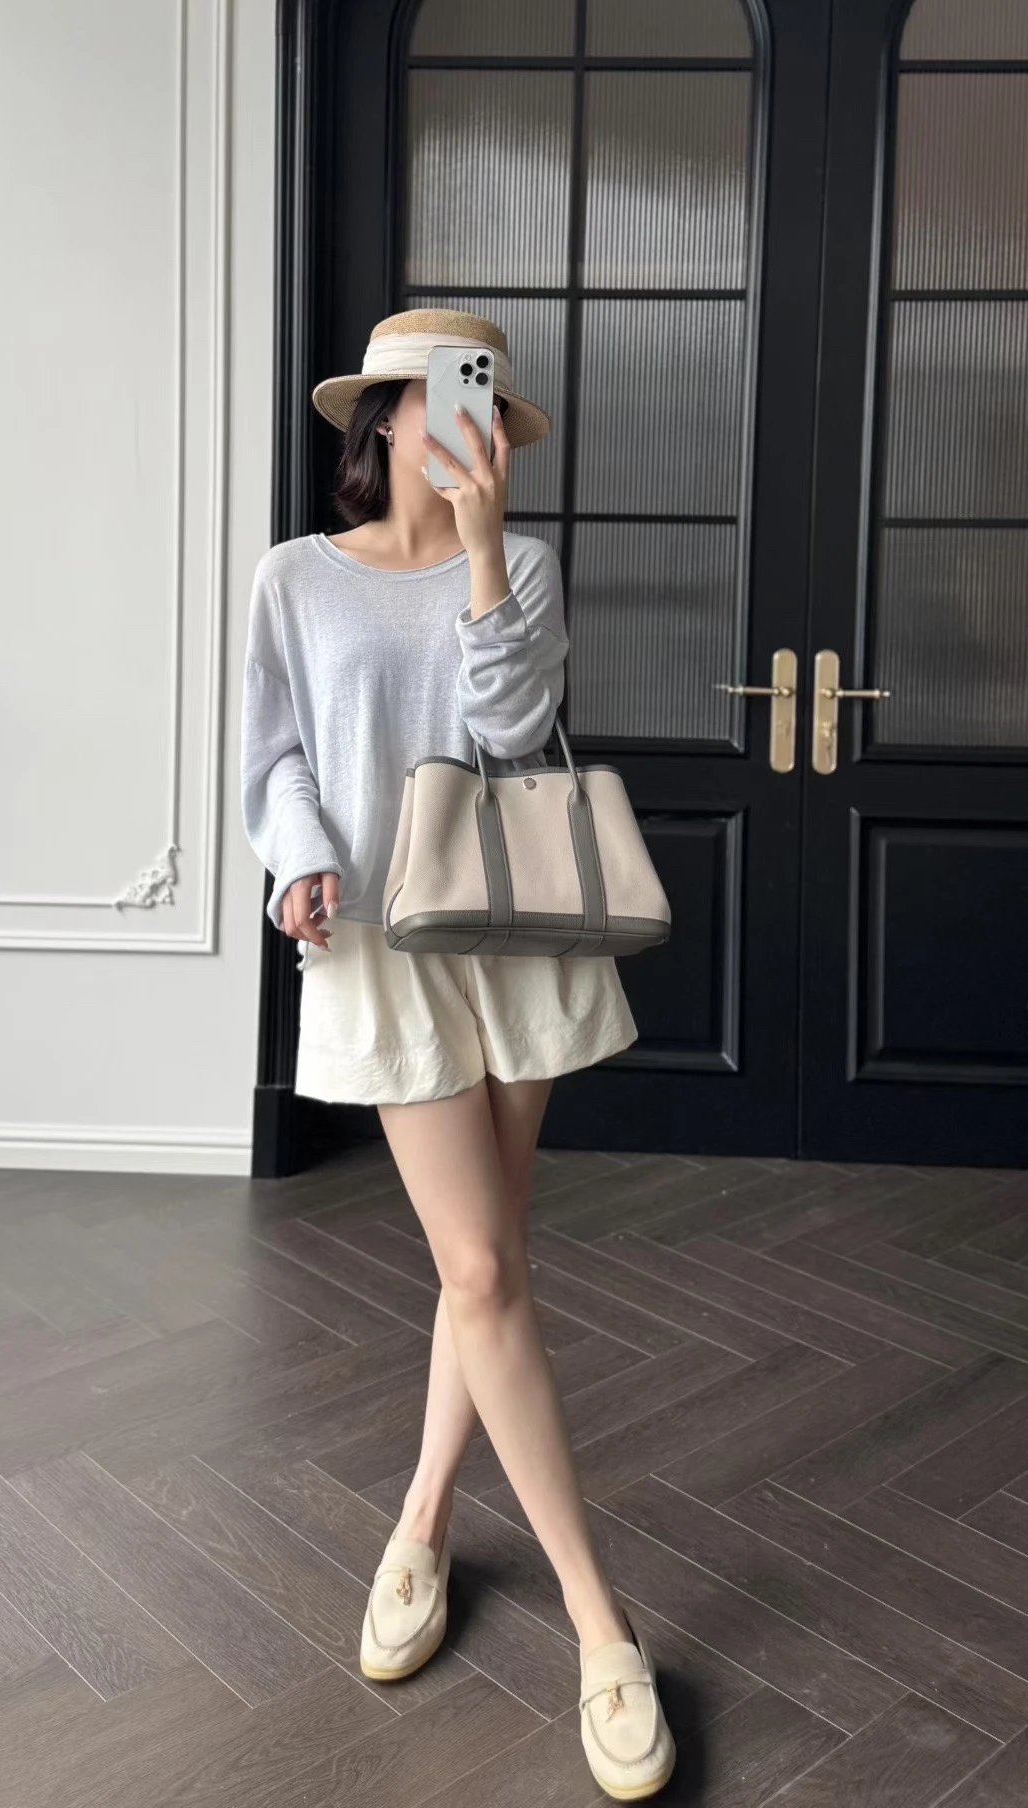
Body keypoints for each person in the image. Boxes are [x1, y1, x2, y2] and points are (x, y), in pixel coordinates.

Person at [240, 309, 676, 1800]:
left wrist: (485, 550)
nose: (460, 421)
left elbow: (512, 726)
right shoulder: (296, 578)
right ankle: (602, 1626)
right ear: (385, 416)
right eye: (436, 397)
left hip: (511, 931)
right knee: (483, 1268)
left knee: (479, 1269)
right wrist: (298, 858)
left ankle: (423, 1520)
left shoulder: (524, 566)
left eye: (477, 399)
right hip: (378, 943)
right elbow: (272, 758)